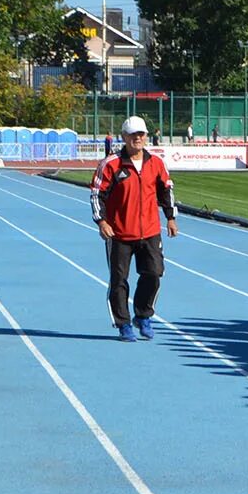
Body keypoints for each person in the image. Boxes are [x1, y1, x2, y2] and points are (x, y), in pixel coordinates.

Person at [90, 115, 179, 342]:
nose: (137, 138)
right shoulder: (111, 165)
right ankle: (123, 323)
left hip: (149, 231)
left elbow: (166, 191)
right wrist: (102, 221)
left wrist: (170, 217)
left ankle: (143, 314)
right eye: (132, 135)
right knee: (119, 279)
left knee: (154, 274)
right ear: (124, 137)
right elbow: (96, 194)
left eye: (141, 134)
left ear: (146, 136)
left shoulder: (156, 163)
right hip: (119, 233)